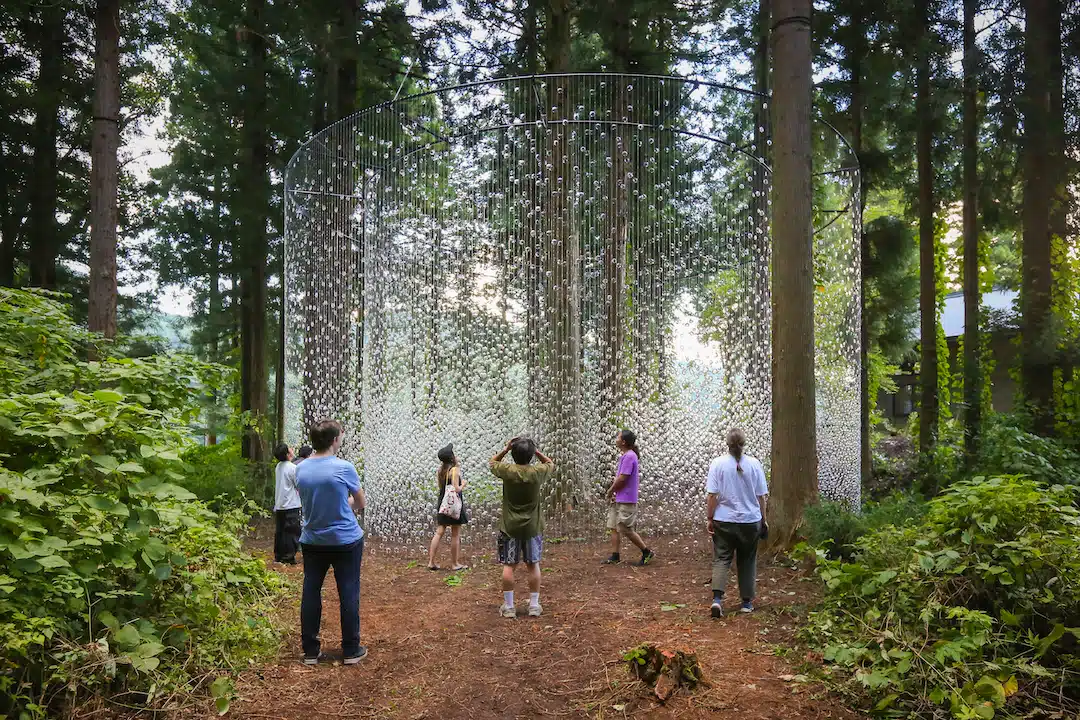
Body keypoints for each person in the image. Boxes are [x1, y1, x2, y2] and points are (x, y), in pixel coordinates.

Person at [295, 419, 367, 664]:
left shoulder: (301, 468)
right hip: (345, 541)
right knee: (348, 591)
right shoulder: (344, 467)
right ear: (335, 440)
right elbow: (360, 503)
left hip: (312, 540)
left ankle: (310, 651)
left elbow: (307, 500)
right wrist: (343, 504)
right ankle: (350, 649)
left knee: (311, 591)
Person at [705, 428, 768, 618]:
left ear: (727, 444)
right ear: (743, 443)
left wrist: (709, 518)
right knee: (747, 560)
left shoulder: (717, 464)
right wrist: (764, 520)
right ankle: (746, 603)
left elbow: (712, 495)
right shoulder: (755, 464)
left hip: (723, 520)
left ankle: (717, 600)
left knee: (722, 559)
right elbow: (761, 497)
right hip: (750, 521)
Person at [489, 436, 554, 619]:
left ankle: (509, 607)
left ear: (513, 453)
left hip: (510, 527)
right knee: (533, 565)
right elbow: (550, 463)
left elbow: (492, 462)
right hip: (532, 527)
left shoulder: (507, 470)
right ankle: (534, 606)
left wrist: (505, 449)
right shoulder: (538, 472)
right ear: (532, 455)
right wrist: (537, 452)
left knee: (509, 565)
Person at [602, 429, 654, 566]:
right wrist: (615, 493)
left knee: (625, 528)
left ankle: (646, 551)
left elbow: (622, 478)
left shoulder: (630, 456)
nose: (616, 438)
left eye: (618, 437)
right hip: (619, 497)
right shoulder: (625, 456)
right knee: (613, 526)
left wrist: (610, 490)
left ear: (623, 442)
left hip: (627, 499)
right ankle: (615, 555)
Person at [427, 443, 470, 571]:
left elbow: (442, 488)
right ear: (452, 457)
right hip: (453, 504)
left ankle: (431, 562)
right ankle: (455, 563)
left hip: (443, 503)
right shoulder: (455, 470)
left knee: (439, 531)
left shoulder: (440, 471)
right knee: (455, 534)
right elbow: (456, 489)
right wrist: (464, 484)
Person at [272, 443, 302, 564]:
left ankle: (279, 555)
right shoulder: (292, 468)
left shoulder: (278, 466)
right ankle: (289, 557)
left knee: (280, 531)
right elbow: (298, 484)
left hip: (280, 504)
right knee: (292, 531)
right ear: (287, 453)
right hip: (291, 504)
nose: (292, 448)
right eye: (290, 448)